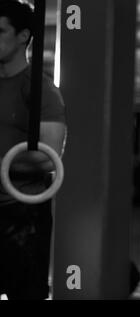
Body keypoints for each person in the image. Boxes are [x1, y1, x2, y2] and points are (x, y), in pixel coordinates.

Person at [0, 0, 66, 299]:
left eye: (0, 31)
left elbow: (49, 157)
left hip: (21, 212)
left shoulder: (41, 90)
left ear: (23, 36)